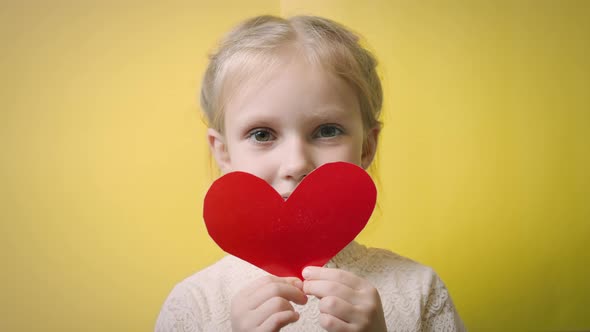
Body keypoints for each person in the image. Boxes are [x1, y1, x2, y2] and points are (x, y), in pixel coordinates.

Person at [156, 15, 465, 332]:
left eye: (327, 131)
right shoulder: (192, 305)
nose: (296, 163)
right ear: (223, 152)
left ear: (366, 148)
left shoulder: (420, 291)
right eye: (262, 134)